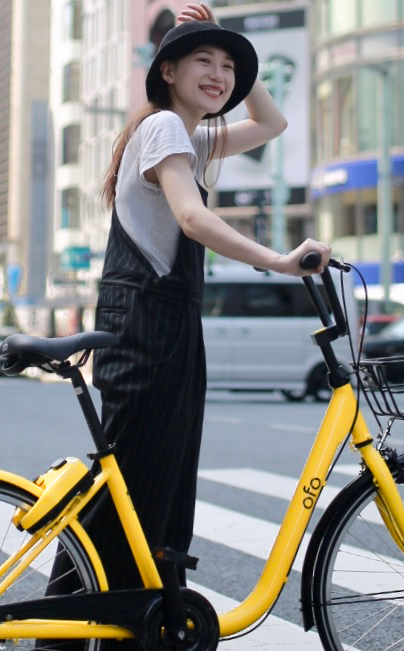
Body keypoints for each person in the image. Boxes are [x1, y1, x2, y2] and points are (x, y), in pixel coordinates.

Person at [44, 5, 331, 649]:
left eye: (228, 66)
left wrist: (233, 45)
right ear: (166, 70)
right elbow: (194, 220)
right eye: (203, 60)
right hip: (148, 327)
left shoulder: (187, 135)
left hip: (163, 325)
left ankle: (118, 628)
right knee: (134, 496)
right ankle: (69, 633)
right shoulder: (166, 129)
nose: (219, 74)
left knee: (146, 496)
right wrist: (279, 262)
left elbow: (273, 122)